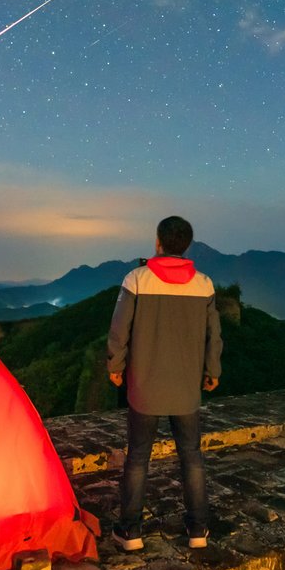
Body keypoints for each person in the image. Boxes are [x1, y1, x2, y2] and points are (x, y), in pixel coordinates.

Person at [107, 216, 222, 550]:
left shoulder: (137, 279)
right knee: (192, 456)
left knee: (138, 457)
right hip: (186, 389)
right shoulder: (204, 285)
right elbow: (214, 336)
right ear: (186, 245)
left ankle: (130, 532)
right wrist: (212, 371)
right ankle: (198, 529)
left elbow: (119, 329)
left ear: (158, 242)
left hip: (144, 387)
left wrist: (115, 365)